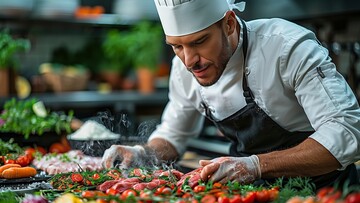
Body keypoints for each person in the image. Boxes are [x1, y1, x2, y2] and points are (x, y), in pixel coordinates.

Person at [102, 0, 360, 190]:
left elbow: (347, 131)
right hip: (251, 198)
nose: (189, 61)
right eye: (177, 46)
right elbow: (173, 135)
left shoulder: (286, 47)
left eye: (199, 41)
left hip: (328, 199)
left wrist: (256, 165)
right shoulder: (182, 70)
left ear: (228, 23)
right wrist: (142, 153)